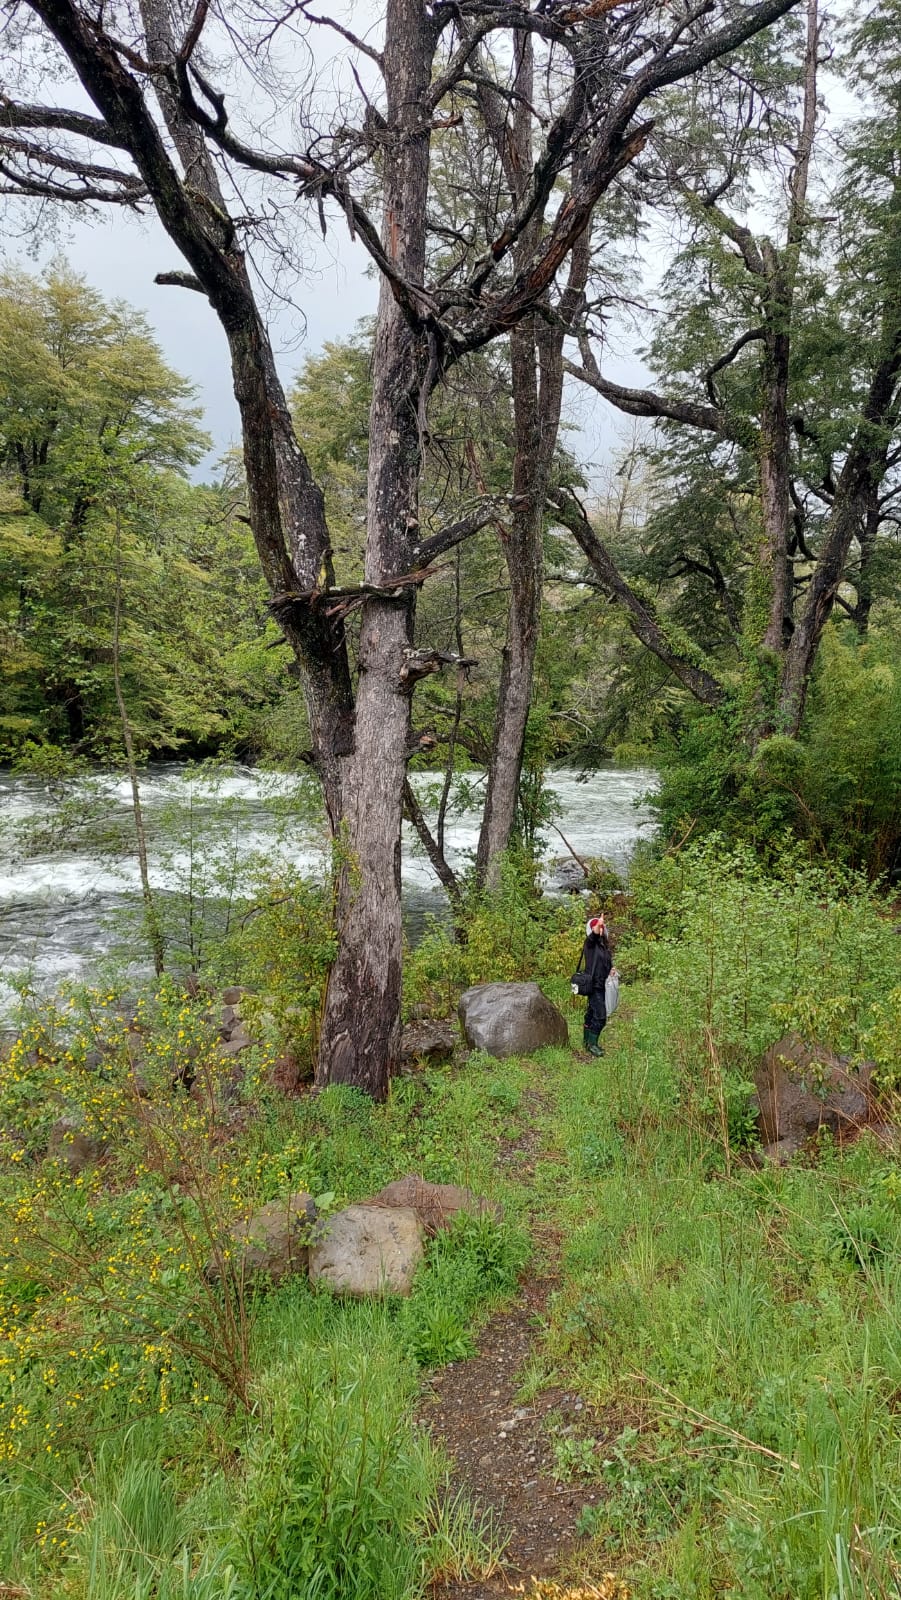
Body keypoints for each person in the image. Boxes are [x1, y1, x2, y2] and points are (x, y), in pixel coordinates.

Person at [581, 914, 612, 1057]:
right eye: (597, 927)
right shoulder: (590, 944)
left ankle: (587, 1041)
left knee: (592, 1012)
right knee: (600, 1016)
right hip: (593, 986)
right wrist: (597, 925)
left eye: (601, 927)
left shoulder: (603, 946)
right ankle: (592, 1045)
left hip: (602, 984)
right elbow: (592, 936)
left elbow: (606, 963)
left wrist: (611, 970)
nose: (600, 929)